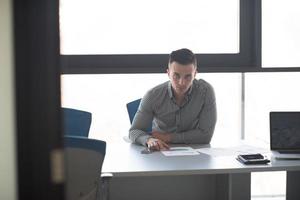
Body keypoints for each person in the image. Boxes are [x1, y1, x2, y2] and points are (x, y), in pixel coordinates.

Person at [129, 48, 217, 151]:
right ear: (168, 73)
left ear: (195, 74)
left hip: (195, 150)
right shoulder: (152, 95)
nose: (182, 83)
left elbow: (205, 136)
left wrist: (168, 137)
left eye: (188, 77)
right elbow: (134, 131)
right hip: (160, 149)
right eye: (176, 76)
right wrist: (149, 140)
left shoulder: (206, 92)